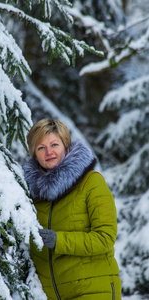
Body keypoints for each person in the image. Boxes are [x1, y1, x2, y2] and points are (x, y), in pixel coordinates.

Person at [23, 118, 122, 300]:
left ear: (66, 147)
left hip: (94, 291)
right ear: (34, 155)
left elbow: (105, 237)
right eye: (41, 148)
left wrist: (58, 240)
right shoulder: (32, 196)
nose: (49, 152)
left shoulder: (91, 182)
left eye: (54, 144)